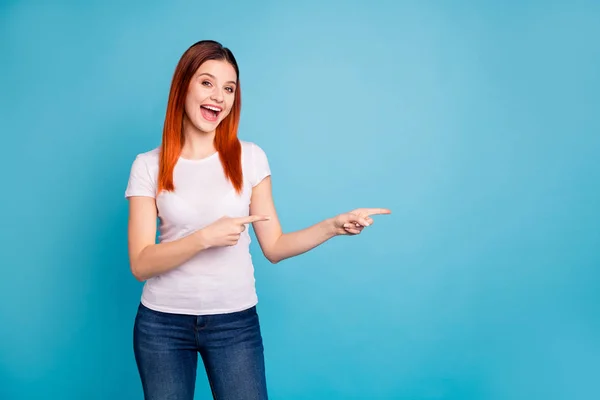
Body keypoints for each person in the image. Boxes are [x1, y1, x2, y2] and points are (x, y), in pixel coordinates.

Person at [124, 39, 391, 400]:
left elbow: (275, 246)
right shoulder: (148, 166)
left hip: (234, 322)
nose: (219, 96)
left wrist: (333, 226)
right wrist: (204, 237)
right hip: (162, 325)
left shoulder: (250, 158)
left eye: (229, 88)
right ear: (183, 85)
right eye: (207, 82)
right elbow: (141, 263)